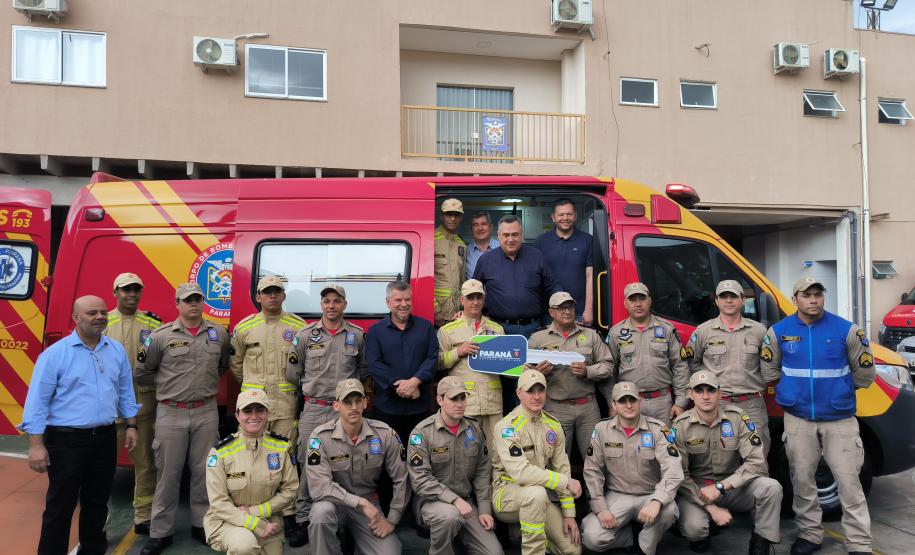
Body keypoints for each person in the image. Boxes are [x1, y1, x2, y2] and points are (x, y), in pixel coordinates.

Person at [761, 276, 875, 555]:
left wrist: (839, 391)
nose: (813, 300)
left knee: (849, 482)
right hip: (798, 419)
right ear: (795, 298)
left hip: (839, 419)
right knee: (802, 480)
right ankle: (810, 535)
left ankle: (859, 543)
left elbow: (865, 375)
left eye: (818, 294)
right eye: (807, 295)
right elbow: (769, 372)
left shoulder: (847, 330)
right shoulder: (778, 332)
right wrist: (792, 392)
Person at [20, 295, 139, 555]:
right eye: (91, 313)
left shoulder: (115, 350)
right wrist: (36, 445)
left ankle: (93, 551)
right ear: (75, 318)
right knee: (60, 506)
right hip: (66, 441)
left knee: (97, 503)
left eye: (103, 312)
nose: (99, 317)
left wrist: (131, 425)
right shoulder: (54, 355)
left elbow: (125, 391)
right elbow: (37, 403)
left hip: (105, 438)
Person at [137, 283, 231, 555]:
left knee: (205, 472)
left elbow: (223, 364)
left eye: (197, 299)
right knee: (168, 473)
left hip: (206, 411)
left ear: (203, 302)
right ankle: (160, 532)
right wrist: (170, 386)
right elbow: (143, 371)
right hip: (171, 411)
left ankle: (201, 525)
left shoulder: (218, 334)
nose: (193, 304)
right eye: (187, 300)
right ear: (177, 303)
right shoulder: (160, 336)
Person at [285, 284, 366, 547]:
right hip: (315, 408)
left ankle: (343, 521)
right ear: (321, 305)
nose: (331, 306)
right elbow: (293, 373)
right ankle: (303, 519)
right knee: (308, 462)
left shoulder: (356, 335)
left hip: (346, 409)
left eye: (337, 301)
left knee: (346, 463)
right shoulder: (305, 335)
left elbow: (362, 371)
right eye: (327, 301)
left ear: (345, 304)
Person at [674, 371, 781, 554]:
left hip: (732, 485)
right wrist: (712, 508)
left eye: (711, 390)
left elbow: (756, 462)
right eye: (699, 390)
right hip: (698, 490)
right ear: (690, 394)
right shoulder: (680, 426)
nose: (706, 396)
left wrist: (722, 487)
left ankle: (761, 541)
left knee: (771, 487)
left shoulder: (738, 418)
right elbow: (679, 476)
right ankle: (704, 531)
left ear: (720, 393)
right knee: (695, 528)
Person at [305, 379, 409, 555]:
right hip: (334, 504)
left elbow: (402, 477)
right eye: (347, 401)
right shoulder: (320, 437)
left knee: (390, 553)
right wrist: (359, 503)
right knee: (320, 514)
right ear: (336, 405)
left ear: (365, 403)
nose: (353, 406)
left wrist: (392, 519)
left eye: (358, 400)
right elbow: (320, 487)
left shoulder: (384, 434)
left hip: (368, 504)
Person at [581, 381, 683, 555]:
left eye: (632, 400)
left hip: (650, 494)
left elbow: (673, 469)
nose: (628, 405)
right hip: (618, 494)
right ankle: (634, 536)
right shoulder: (602, 429)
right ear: (613, 404)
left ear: (639, 401)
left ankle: (645, 548)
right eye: (622, 401)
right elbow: (593, 472)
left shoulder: (658, 430)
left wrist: (657, 501)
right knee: (592, 537)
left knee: (669, 510)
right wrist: (600, 508)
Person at [407, 377, 504, 555]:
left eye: (462, 398)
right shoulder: (422, 433)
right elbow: (420, 480)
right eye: (453, 399)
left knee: (493, 552)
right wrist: (455, 500)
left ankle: (460, 540)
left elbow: (482, 471)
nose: (459, 404)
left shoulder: (473, 429)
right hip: (432, 503)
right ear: (440, 400)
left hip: (466, 502)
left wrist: (484, 509)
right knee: (449, 516)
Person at [491, 369, 582, 555]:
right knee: (537, 494)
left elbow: (562, 468)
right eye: (530, 391)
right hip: (506, 495)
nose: (536, 396)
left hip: (537, 499)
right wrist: (565, 482)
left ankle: (524, 531)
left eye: (541, 390)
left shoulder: (553, 426)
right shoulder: (506, 427)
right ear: (519, 393)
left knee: (572, 550)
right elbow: (522, 474)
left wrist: (569, 514)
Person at [681, 279, 777, 455]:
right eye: (723, 297)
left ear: (742, 299)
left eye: (733, 296)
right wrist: (705, 391)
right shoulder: (703, 331)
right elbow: (691, 364)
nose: (729, 300)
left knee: (758, 456)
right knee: (721, 457)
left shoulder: (759, 331)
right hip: (718, 404)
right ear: (716, 301)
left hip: (752, 404)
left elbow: (769, 366)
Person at [203, 389, 298, 555]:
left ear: (267, 413)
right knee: (244, 546)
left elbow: (290, 490)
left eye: (259, 410)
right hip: (229, 522)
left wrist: (256, 512)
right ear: (237, 415)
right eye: (247, 411)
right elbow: (219, 503)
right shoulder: (220, 453)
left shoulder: (282, 447)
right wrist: (255, 524)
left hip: (268, 520)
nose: (254, 416)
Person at [105, 272, 162, 535]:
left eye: (136, 289)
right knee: (102, 470)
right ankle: (99, 522)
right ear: (115, 292)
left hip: (142, 409)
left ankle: (143, 517)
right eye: (126, 290)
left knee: (146, 465)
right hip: (106, 411)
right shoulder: (102, 322)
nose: (131, 294)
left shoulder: (153, 324)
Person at [528, 291, 613, 460]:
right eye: (561, 308)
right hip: (555, 408)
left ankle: (592, 488)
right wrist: (537, 374)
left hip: (588, 408)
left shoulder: (591, 335)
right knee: (556, 461)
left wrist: (588, 371)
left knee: (595, 460)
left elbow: (608, 366)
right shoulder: (538, 338)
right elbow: (522, 374)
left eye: (570, 307)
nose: (567, 312)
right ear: (551, 312)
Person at [230, 275, 307, 445]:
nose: (272, 296)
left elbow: (304, 365)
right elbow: (235, 365)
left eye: (277, 291)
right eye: (267, 292)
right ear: (258, 297)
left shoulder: (299, 327)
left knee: (285, 453)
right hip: (253, 407)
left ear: (283, 296)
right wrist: (253, 383)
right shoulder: (244, 328)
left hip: (286, 407)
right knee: (251, 451)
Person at [365, 280, 438, 444]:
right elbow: (374, 365)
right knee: (389, 459)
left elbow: (432, 358)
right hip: (387, 409)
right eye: (398, 300)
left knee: (419, 457)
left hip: (420, 408)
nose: (404, 304)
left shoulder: (425, 327)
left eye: (408, 299)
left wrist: (415, 382)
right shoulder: (375, 331)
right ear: (388, 302)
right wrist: (401, 387)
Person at [437, 278, 504, 454]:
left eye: (479, 297)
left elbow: (507, 364)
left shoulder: (497, 329)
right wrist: (458, 351)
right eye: (470, 297)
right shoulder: (448, 330)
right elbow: (438, 363)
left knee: (496, 453)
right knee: (465, 454)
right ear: (462, 300)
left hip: (492, 403)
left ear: (484, 299)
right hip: (464, 403)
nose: (475, 302)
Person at [606, 282, 689, 424]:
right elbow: (608, 371)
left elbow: (680, 366)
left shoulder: (667, 329)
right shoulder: (616, 333)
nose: (638, 304)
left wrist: (681, 402)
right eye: (633, 300)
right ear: (625, 303)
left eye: (642, 299)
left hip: (662, 403)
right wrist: (612, 402)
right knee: (632, 445)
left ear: (649, 301)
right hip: (628, 402)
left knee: (665, 444)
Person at [473, 214, 561, 338]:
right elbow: (473, 291)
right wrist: (464, 312)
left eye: (515, 234)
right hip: (498, 329)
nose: (510, 239)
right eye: (506, 235)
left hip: (534, 329)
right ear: (498, 236)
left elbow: (552, 286)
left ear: (521, 235)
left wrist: (564, 307)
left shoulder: (537, 256)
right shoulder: (485, 261)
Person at [534, 198, 594, 325]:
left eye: (569, 214)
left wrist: (588, 310)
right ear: (553, 217)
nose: (565, 218)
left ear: (575, 216)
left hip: (578, 311)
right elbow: (536, 277)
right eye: (561, 214)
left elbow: (590, 276)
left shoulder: (587, 240)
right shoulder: (541, 242)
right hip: (549, 312)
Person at [435, 198, 467, 326]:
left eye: (457, 215)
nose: (453, 219)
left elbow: (462, 281)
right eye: (449, 214)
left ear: (461, 218)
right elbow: (422, 277)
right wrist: (435, 309)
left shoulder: (462, 244)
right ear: (441, 216)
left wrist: (464, 309)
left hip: (456, 315)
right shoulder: (430, 239)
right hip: (436, 313)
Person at [466, 212, 500, 280]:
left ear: (490, 227)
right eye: (475, 225)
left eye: (484, 224)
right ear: (471, 229)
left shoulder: (502, 248)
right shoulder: (465, 252)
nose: (480, 228)